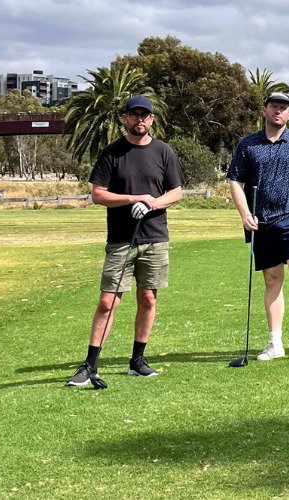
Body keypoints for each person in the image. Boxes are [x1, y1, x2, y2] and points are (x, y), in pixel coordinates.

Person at [67, 95, 184, 386]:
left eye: (145, 115)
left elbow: (177, 192)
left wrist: (153, 204)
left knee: (148, 298)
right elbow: (98, 194)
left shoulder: (163, 151)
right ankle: (90, 365)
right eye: (134, 115)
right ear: (125, 118)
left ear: (152, 119)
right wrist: (134, 198)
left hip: (155, 237)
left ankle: (137, 360)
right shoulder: (112, 153)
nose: (139, 120)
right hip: (121, 240)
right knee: (108, 302)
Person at [226, 92, 289, 361]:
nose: (278, 112)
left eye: (283, 108)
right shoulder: (249, 145)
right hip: (261, 223)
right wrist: (244, 213)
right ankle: (275, 344)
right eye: (274, 107)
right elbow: (235, 181)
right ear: (264, 110)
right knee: (272, 281)